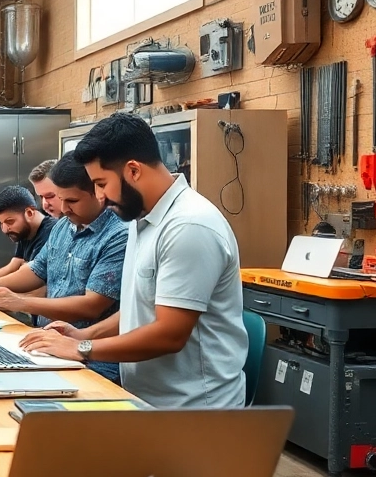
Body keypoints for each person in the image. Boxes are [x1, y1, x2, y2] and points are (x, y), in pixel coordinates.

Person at [21, 113, 247, 408]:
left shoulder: (188, 226)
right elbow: (141, 309)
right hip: (148, 399)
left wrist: (83, 347)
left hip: (192, 411)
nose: (99, 197)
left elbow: (168, 334)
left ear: (133, 171)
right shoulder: (143, 219)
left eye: (102, 183)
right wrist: (84, 334)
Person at [0, 155, 126, 382]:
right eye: (61, 199)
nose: (64, 209)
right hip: (49, 347)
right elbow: (37, 269)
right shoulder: (64, 226)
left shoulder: (117, 235)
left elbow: (92, 305)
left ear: (98, 192)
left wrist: (22, 303)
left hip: (90, 359)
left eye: (72, 201)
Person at [0, 185, 58, 283]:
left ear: (29, 213)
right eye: (1, 223)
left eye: (10, 222)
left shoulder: (52, 232)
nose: (4, 230)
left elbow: (31, 277)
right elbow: (13, 268)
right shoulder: (24, 232)